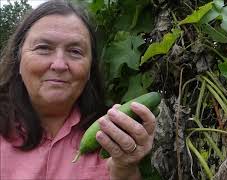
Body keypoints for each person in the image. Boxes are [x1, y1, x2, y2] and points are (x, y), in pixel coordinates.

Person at [0, 0, 156, 179]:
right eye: (43, 48)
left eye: (75, 51)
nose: (59, 65)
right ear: (18, 59)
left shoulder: (114, 139)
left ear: (90, 68)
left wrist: (125, 172)